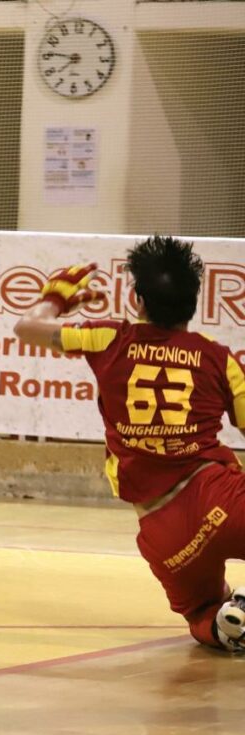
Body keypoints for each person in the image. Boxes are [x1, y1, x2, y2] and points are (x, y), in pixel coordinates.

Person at [13, 237, 245, 653]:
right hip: (220, 498)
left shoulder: (109, 338)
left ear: (137, 299)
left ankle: (226, 624)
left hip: (163, 531)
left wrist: (54, 299)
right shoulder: (216, 357)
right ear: (194, 302)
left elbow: (27, 328)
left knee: (201, 612)